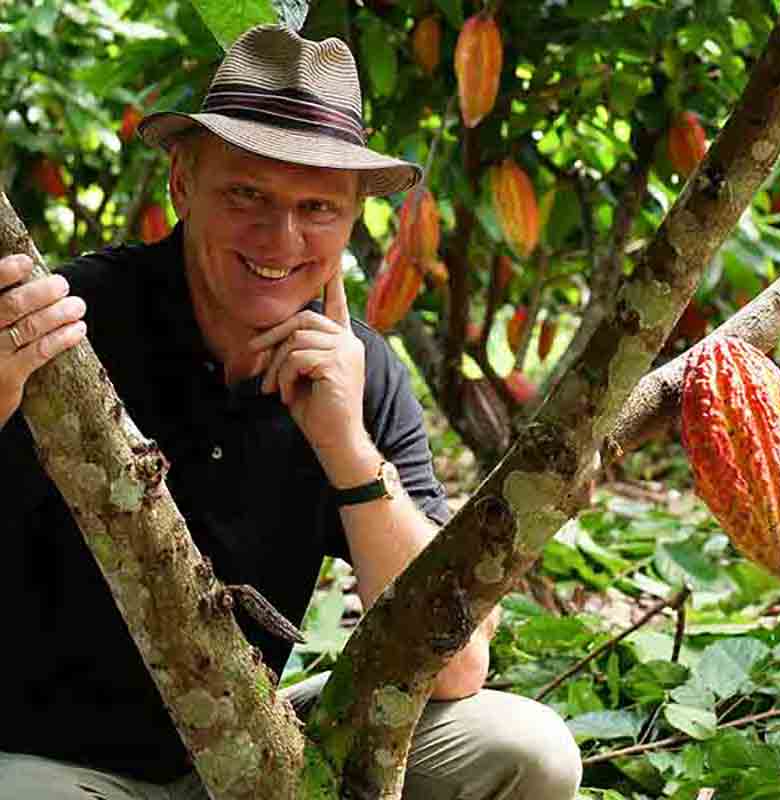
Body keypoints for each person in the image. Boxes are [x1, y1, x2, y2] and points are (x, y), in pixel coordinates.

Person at [0, 24, 582, 800]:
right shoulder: (67, 330)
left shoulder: (361, 368)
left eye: (318, 207)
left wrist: (346, 447)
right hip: (55, 763)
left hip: (253, 743)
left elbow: (457, 666)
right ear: (183, 183)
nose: (281, 238)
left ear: (352, 221)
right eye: (247, 194)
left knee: (527, 752)